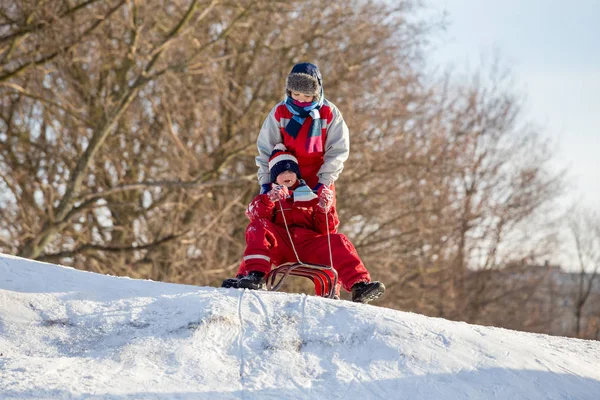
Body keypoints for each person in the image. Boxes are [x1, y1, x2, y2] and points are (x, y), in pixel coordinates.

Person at [223, 144, 385, 304]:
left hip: (308, 245)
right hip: (282, 244)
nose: (287, 174)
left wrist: (324, 209)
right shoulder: (270, 195)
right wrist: (269, 199)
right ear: (274, 177)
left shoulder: (311, 196)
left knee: (338, 240)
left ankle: (359, 285)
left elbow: (326, 230)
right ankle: (255, 275)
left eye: (291, 171)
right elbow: (253, 214)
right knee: (257, 227)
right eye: (281, 172)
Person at [255, 62, 350, 200]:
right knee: (286, 219)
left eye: (307, 96)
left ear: (317, 94)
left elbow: (338, 149)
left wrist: (324, 182)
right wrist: (266, 182)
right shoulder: (280, 112)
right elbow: (266, 148)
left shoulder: (328, 112)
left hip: (320, 175)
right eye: (296, 94)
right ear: (289, 91)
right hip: (285, 177)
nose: (301, 100)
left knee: (321, 219)